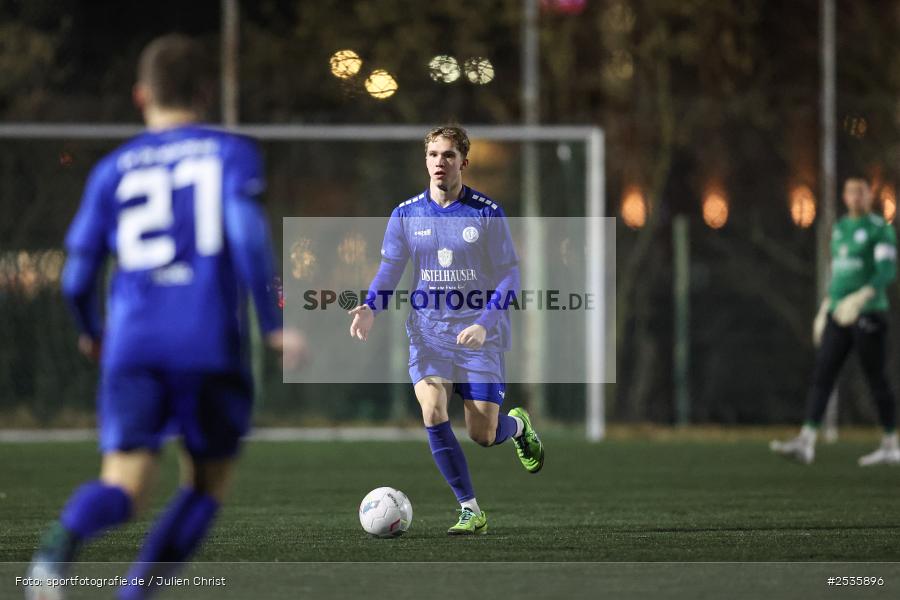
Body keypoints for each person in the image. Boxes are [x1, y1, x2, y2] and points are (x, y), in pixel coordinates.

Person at [26, 34, 304, 600]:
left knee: (123, 489)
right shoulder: (230, 152)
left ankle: (56, 552)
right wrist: (275, 320)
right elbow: (248, 237)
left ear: (141, 95)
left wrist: (91, 333)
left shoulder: (111, 170)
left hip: (133, 346)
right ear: (206, 92)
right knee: (205, 485)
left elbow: (77, 276)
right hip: (207, 345)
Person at [348, 125, 544, 535]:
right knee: (433, 409)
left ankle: (519, 427)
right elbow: (390, 269)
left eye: (449, 155)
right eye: (434, 154)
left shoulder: (486, 213)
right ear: (426, 161)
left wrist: (483, 322)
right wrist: (371, 306)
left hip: (479, 336)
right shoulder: (406, 213)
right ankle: (470, 509)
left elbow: (510, 277)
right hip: (428, 333)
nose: (440, 162)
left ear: (463, 162)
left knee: (484, 435)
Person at [771, 177, 898, 466]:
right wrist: (826, 306)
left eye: (861, 192)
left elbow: (886, 271)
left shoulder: (878, 229)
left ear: (869, 196)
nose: (855, 197)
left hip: (868, 313)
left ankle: (891, 443)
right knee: (823, 373)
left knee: (876, 378)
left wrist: (862, 297)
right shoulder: (840, 229)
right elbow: (838, 274)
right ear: (844, 195)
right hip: (838, 314)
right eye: (850, 191)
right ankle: (806, 441)